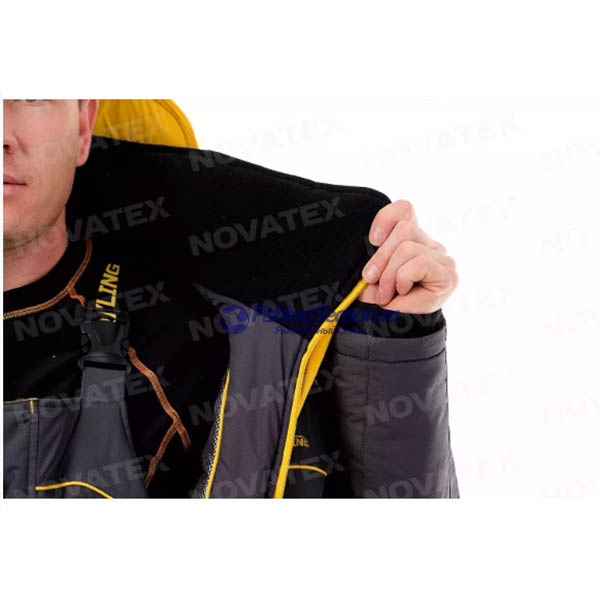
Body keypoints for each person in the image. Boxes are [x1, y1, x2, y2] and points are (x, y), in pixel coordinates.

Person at [3, 99, 459, 498]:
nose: (3, 134)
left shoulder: (202, 343)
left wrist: (395, 331)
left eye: (32, 94)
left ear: (84, 125)